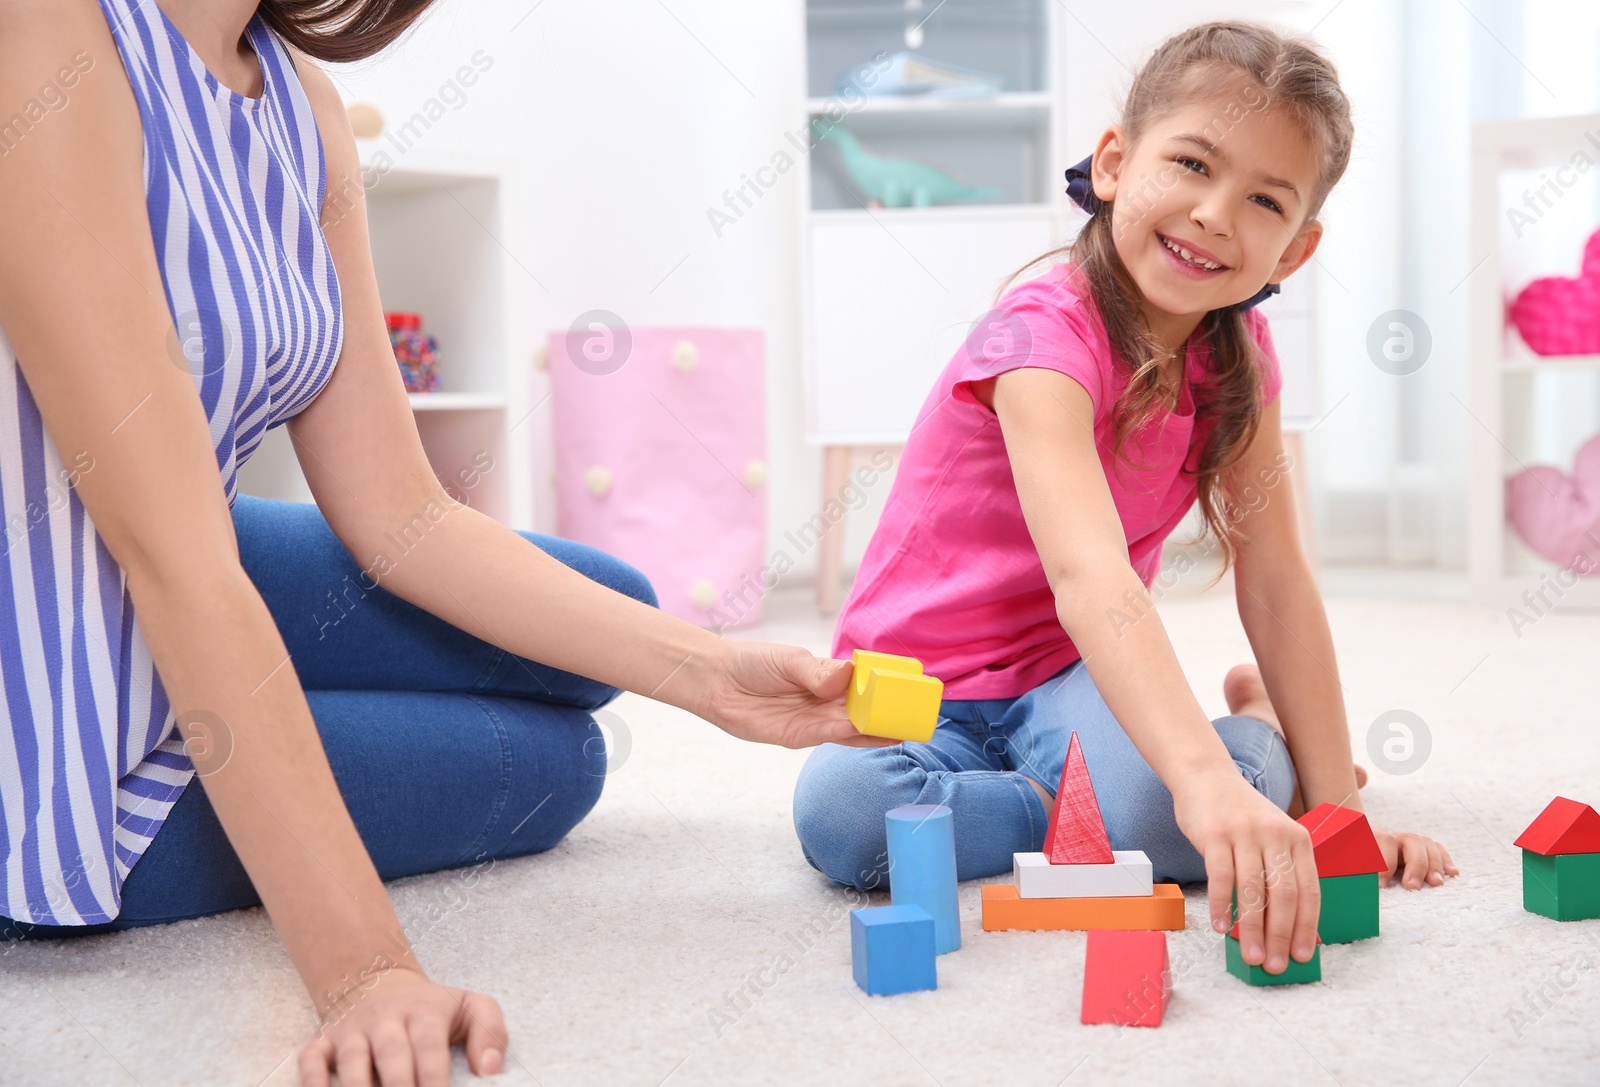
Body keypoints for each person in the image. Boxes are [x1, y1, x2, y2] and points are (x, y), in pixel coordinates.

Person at [0, 1, 888, 1083]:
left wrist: (715, 679)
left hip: (183, 555)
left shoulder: (300, 104)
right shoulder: (43, 35)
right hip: (50, 676)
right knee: (544, 764)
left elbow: (401, 518)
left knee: (607, 604)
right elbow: (171, 561)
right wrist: (366, 972)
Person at [792, 21, 1457, 981]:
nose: (1214, 213)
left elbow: (1276, 577)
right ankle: (1077, 802)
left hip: (1073, 676)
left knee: (1231, 806)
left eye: (1264, 199)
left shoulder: (1243, 361)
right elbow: (1087, 568)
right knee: (848, 817)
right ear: (1113, 162)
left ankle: (1219, 747)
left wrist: (1331, 809)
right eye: (1190, 163)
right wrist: (1198, 781)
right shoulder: (1037, 338)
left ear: (1295, 252)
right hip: (925, 685)